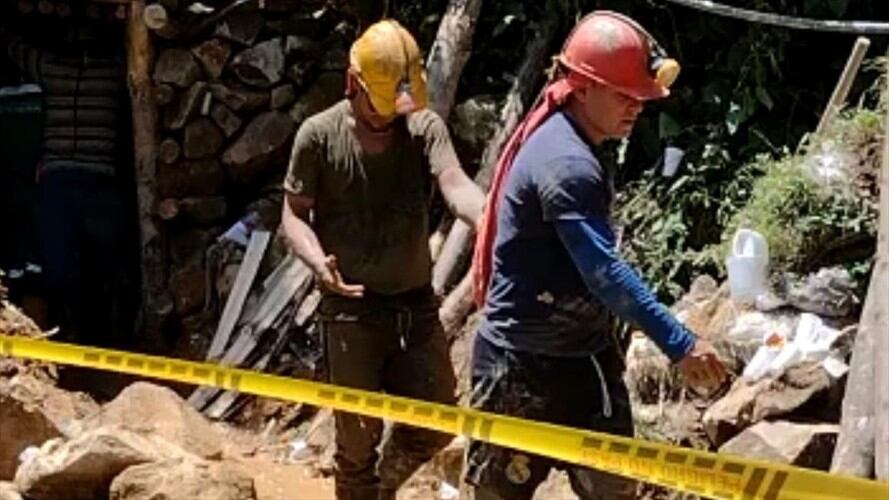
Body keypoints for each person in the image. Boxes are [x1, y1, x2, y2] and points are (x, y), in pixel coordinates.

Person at [466, 11, 728, 500]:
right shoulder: (566, 163)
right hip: (519, 366)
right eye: (624, 95)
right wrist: (678, 342)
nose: (636, 107)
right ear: (582, 87)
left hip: (583, 362)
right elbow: (603, 271)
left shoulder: (576, 142)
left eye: (641, 97)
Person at [281, 19, 486, 500]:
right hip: (350, 310)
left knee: (436, 420)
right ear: (352, 83)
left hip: (414, 306)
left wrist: (488, 217)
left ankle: (378, 491)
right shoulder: (318, 136)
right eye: (380, 103)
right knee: (356, 443)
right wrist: (318, 262)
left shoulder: (422, 127)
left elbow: (454, 182)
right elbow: (293, 215)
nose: (390, 114)